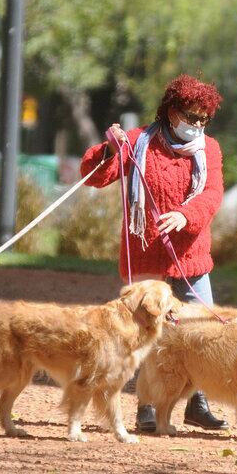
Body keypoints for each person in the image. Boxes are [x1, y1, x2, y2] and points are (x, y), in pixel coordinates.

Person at [79, 74, 228, 433]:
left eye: (203, 119)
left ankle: (197, 403)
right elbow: (93, 176)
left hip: (191, 259)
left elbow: (212, 195)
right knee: (148, 337)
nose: (196, 125)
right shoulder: (136, 142)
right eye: (190, 117)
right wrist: (110, 150)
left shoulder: (210, 150)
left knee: (202, 334)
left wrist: (184, 215)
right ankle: (146, 408)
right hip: (145, 261)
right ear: (171, 111)